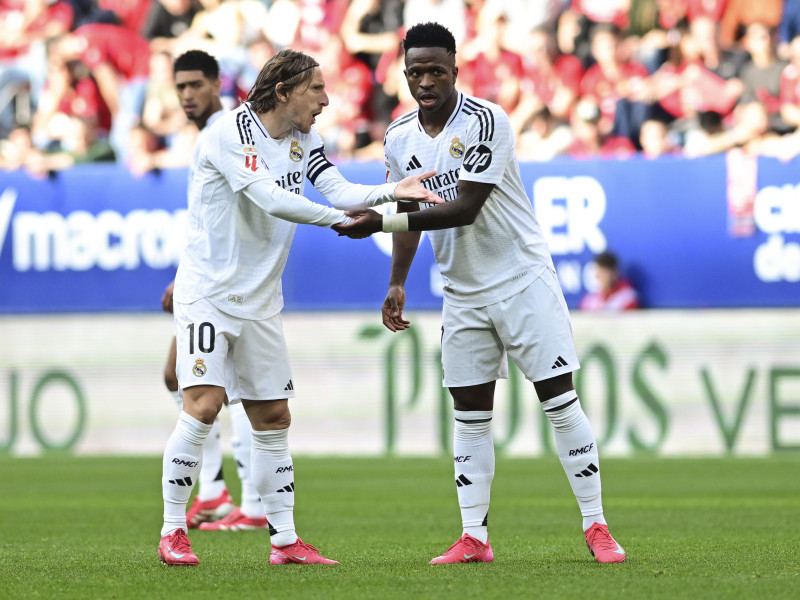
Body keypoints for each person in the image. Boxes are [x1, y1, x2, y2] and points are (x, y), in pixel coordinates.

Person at [334, 21, 626, 565]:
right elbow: (413, 214)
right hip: (461, 293)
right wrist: (397, 278)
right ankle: (475, 537)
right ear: (404, 72)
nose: (425, 81)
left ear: (455, 70)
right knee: (470, 413)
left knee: (559, 402)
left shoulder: (488, 121)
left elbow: (464, 206)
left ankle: (596, 524)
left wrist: (377, 221)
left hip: (521, 280)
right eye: (416, 71)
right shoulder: (398, 138)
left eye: (435, 71)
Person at [157, 46, 442, 566]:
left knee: (273, 416)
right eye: (316, 89)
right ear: (283, 91)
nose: (327, 100)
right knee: (203, 406)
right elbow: (272, 199)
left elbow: (332, 186)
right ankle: (173, 529)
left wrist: (388, 191)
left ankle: (285, 542)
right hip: (209, 293)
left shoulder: (303, 137)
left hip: (261, 300)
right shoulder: (228, 133)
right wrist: (335, 221)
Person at [158, 49, 270, 533]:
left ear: (215, 84)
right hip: (204, 279)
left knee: (238, 393)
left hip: (231, 286)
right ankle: (217, 491)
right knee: (178, 379)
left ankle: (246, 502)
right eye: (180, 86)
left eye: (195, 85)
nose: (187, 95)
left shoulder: (227, 133)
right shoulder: (206, 135)